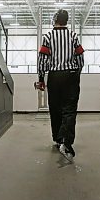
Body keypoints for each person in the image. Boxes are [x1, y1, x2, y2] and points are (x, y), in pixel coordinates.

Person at [37, 9, 84, 162]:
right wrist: (77, 72)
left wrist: (41, 78)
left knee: (55, 108)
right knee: (70, 110)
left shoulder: (48, 36)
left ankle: (58, 139)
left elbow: (42, 59)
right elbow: (80, 56)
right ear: (67, 21)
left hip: (55, 76)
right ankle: (67, 142)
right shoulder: (73, 36)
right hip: (71, 75)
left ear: (55, 19)